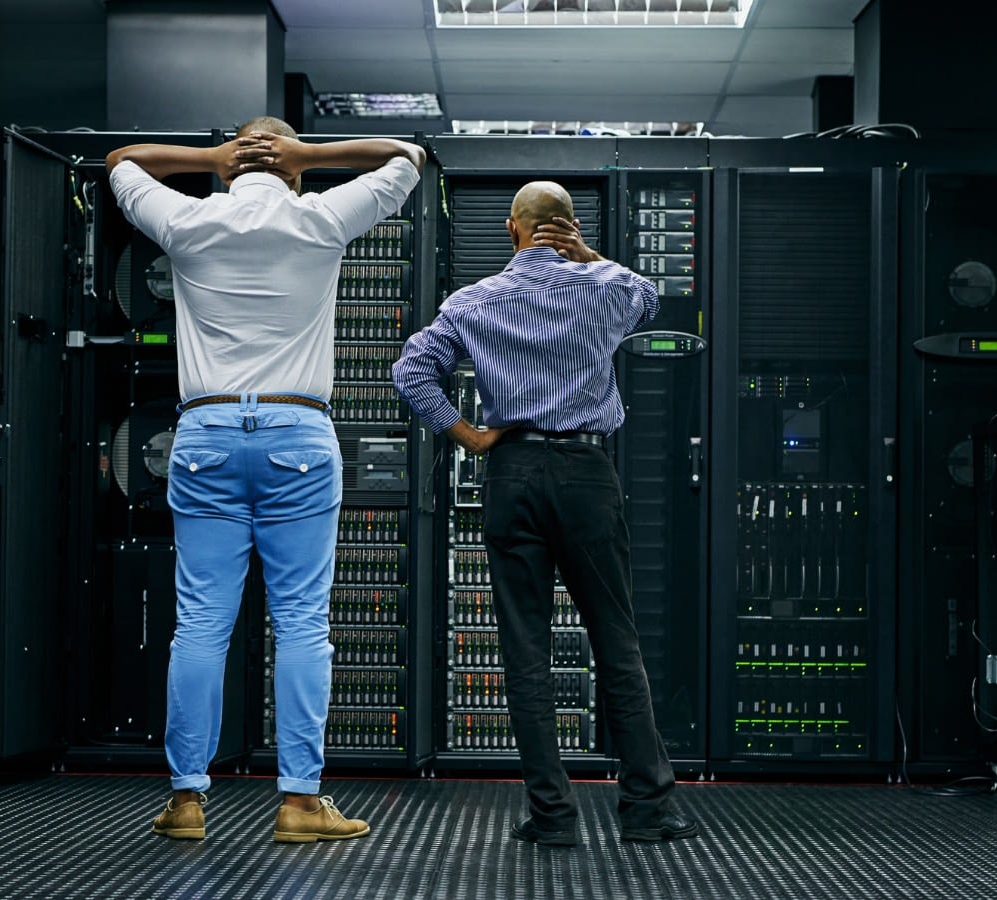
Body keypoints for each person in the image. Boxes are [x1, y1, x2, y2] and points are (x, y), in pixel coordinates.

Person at [106, 118, 424, 843]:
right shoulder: (318, 216)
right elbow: (408, 159)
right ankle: (300, 804)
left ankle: (186, 801)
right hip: (297, 435)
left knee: (201, 624)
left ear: (229, 172)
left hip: (205, 435)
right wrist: (308, 155)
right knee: (303, 622)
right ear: (296, 171)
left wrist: (210, 157)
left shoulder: (187, 218)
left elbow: (121, 160)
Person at [391, 181, 699, 845]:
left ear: (512, 230)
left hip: (512, 473)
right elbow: (650, 296)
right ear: (568, 227)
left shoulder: (473, 301)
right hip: (587, 473)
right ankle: (648, 810)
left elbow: (411, 370)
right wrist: (587, 254)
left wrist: (467, 435)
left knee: (526, 650)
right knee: (615, 641)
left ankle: (553, 816)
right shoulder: (604, 286)